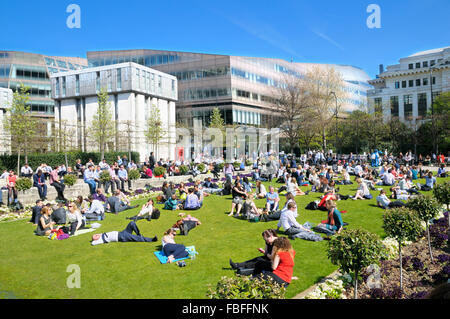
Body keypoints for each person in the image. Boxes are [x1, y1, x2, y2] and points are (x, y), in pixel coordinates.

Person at [91, 221, 158, 245]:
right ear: (95, 239)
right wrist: (94, 239)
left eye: (95, 234)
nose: (96, 235)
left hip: (122, 232)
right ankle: (152, 240)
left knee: (132, 223)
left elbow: (96, 235)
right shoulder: (101, 240)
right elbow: (93, 243)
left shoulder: (102, 235)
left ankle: (139, 234)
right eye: (95, 236)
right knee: (136, 238)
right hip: (121, 237)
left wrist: (99, 234)